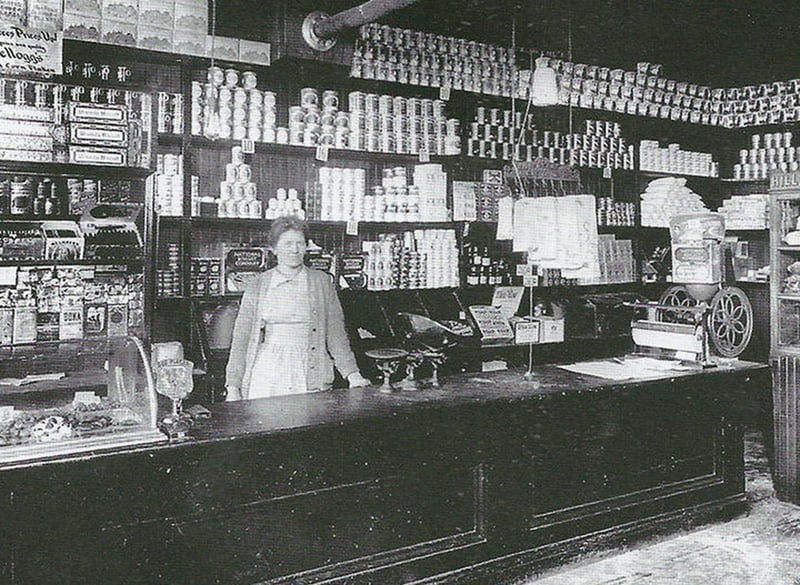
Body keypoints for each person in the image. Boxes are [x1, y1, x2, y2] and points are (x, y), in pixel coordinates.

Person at [225, 217, 370, 400]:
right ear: (274, 249)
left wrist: (352, 374)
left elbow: (335, 333)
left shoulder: (322, 282)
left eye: (300, 243)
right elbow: (242, 338)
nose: (294, 249)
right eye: (287, 243)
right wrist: (233, 386)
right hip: (267, 371)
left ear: (306, 247)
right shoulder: (258, 284)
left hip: (310, 368)